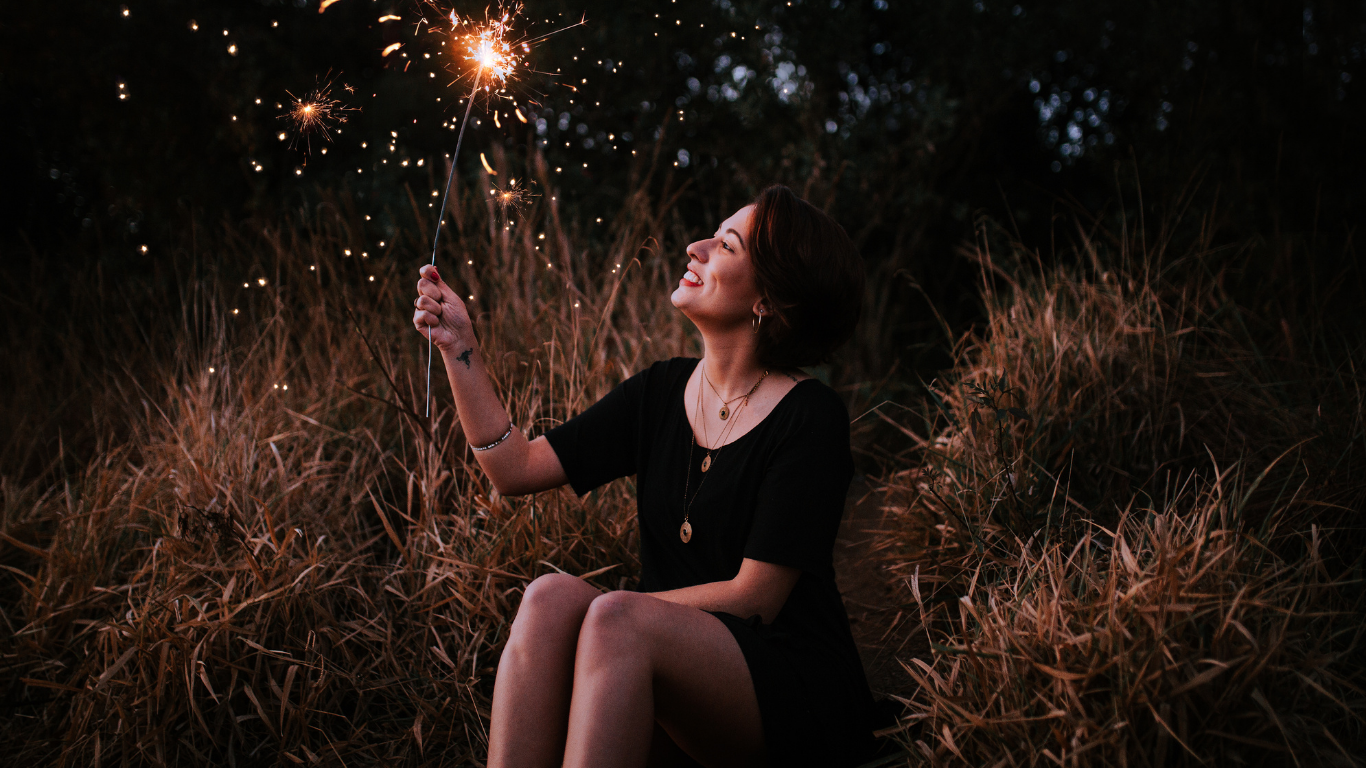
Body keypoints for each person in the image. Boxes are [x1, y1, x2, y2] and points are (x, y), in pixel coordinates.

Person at [412, 185, 874, 768]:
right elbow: (514, 468)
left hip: (787, 687)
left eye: (725, 245)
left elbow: (756, 596)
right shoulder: (660, 390)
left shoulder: (810, 417)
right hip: (665, 656)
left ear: (768, 299)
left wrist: (619, 619)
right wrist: (459, 346)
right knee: (550, 597)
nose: (695, 247)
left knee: (615, 618)